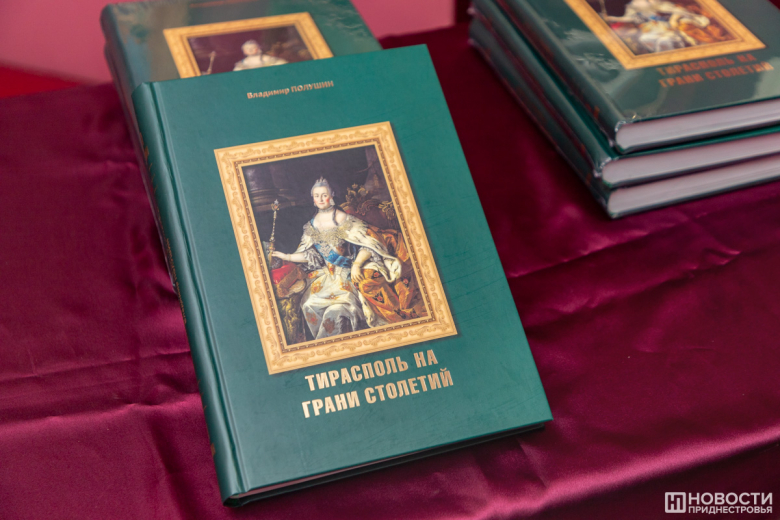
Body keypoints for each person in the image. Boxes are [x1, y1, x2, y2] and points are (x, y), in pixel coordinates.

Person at [271, 178, 413, 340]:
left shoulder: (343, 219)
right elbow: (310, 255)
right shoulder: (311, 226)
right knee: (310, 305)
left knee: (337, 311)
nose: (320, 199)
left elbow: (369, 244)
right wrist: (287, 256)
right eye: (317, 196)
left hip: (347, 275)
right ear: (313, 199)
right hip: (326, 278)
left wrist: (357, 264)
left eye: (324, 195)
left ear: (332, 195)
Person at [602, 0, 712, 53]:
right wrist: (612, 18)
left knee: (665, 39)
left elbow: (679, 10)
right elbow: (630, 18)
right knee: (645, 38)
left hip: (671, 26)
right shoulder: (635, 8)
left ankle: (679, 53)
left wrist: (673, 19)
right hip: (655, 29)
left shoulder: (660, 4)